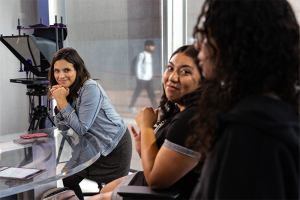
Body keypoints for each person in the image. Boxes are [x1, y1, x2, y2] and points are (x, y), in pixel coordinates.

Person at [188, 0, 299, 199]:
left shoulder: (249, 134)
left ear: (236, 42)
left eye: (207, 34)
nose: (197, 45)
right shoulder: (279, 113)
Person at [88, 45, 206, 200]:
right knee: (104, 191)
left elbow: (156, 181)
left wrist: (146, 126)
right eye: (170, 68)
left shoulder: (190, 120)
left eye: (185, 71)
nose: (172, 77)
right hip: (162, 188)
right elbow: (165, 165)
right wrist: (144, 148)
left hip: (167, 194)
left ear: (204, 80)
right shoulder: (182, 111)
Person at [48, 47, 132, 200]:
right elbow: (62, 128)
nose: (60, 76)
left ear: (77, 69)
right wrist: (61, 104)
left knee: (107, 192)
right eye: (56, 71)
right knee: (68, 178)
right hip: (90, 146)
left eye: (66, 70)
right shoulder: (66, 90)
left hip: (113, 147)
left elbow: (80, 128)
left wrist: (61, 101)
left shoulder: (90, 88)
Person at [128, 40, 157, 113]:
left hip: (149, 79)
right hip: (142, 79)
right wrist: (138, 77)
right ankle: (131, 107)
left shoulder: (150, 55)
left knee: (152, 94)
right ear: (147, 46)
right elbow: (138, 66)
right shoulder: (142, 55)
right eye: (152, 46)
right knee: (137, 93)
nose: (153, 47)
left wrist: (150, 77)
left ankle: (156, 108)